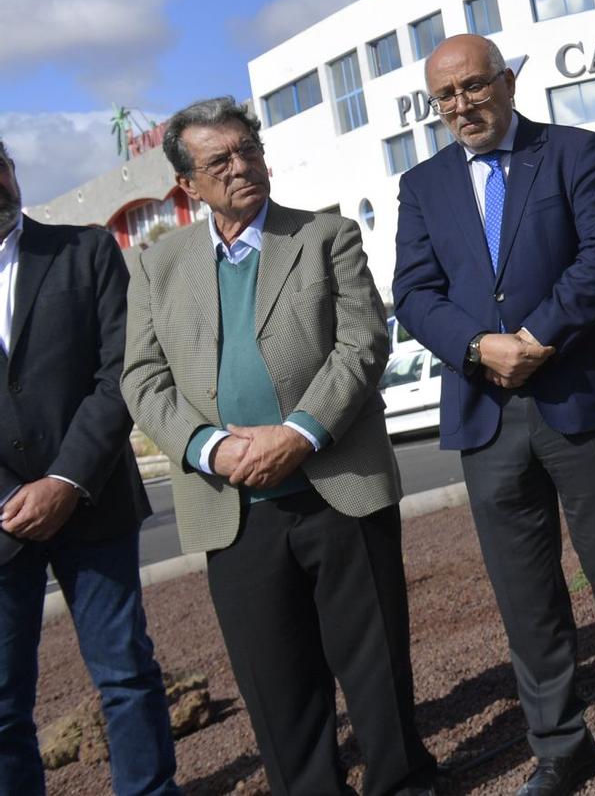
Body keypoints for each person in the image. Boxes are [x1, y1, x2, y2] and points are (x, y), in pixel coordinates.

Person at [393, 34, 595, 796]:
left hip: (577, 394)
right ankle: (560, 744)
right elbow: (414, 293)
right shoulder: (422, 186)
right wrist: (476, 346)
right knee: (524, 593)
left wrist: (536, 337)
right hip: (483, 410)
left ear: (508, 81)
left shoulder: (571, 151)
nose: (463, 105)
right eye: (446, 96)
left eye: (474, 86)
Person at [122, 98, 435, 796]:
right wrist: (207, 447)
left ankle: (403, 784)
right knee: (275, 682)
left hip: (337, 489)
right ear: (188, 187)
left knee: (376, 667)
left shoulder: (326, 235)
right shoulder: (157, 265)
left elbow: (362, 344)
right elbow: (142, 378)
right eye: (219, 162)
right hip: (232, 508)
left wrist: (298, 434)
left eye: (248, 151)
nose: (242, 168)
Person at [0, 139, 178, 796]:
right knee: (2, 708)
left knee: (126, 676)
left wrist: (64, 481)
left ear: (12, 171)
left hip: (93, 498)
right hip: (0, 521)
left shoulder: (85, 251)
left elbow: (119, 375)